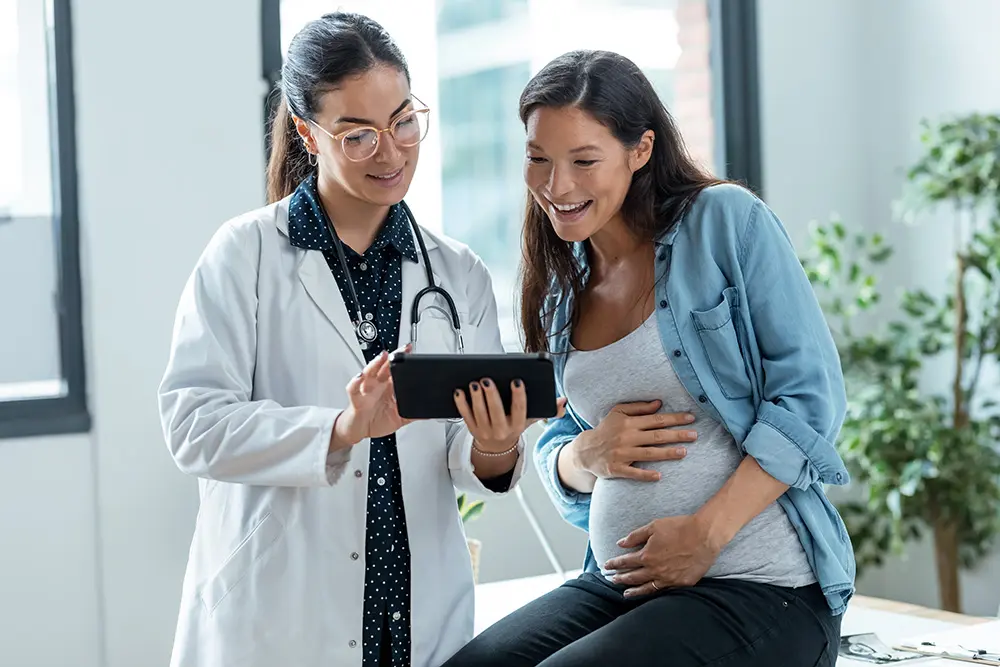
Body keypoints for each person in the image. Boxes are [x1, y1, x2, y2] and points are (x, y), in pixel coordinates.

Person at [157, 12, 554, 667]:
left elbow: (468, 462)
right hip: (280, 624)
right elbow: (192, 423)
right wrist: (339, 428)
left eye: (402, 121)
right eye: (359, 135)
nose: (392, 152)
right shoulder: (245, 255)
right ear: (309, 134)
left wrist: (496, 443)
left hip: (417, 622)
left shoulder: (456, 274)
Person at [443, 50, 855, 667]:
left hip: (759, 587)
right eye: (538, 160)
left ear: (640, 150)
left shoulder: (724, 223)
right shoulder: (561, 289)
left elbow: (810, 398)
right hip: (620, 583)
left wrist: (704, 536)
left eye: (584, 160)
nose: (557, 187)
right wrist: (582, 457)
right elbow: (563, 442)